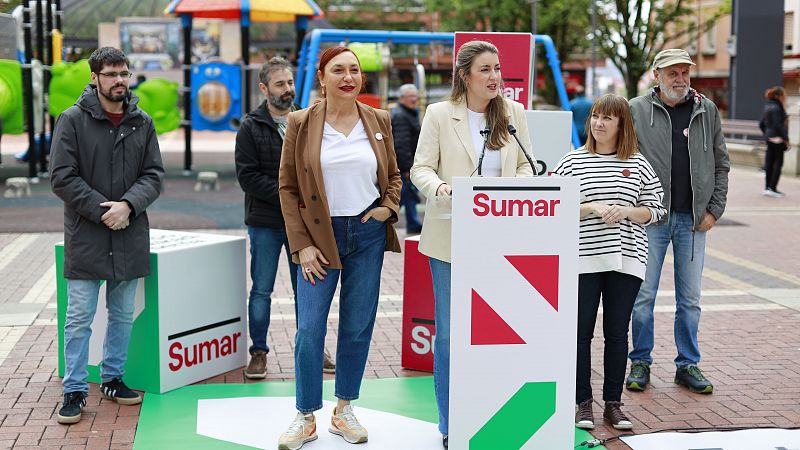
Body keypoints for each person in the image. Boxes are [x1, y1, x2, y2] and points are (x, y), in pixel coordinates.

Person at [410, 40, 535, 449]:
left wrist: (510, 194)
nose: (495, 76)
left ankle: (489, 411)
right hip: (450, 239)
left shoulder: (513, 113)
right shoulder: (439, 114)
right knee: (449, 336)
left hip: (500, 241)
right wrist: (441, 189)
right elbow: (420, 168)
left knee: (495, 332)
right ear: (464, 75)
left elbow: (526, 166)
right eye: (485, 69)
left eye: (497, 68)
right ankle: (451, 423)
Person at [276, 46, 402, 449]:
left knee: (357, 325)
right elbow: (287, 187)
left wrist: (387, 209)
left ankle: (344, 409)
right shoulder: (300, 122)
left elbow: (393, 175)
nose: (348, 77)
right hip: (319, 237)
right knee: (309, 328)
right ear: (322, 77)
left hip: (366, 234)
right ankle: (305, 415)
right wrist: (301, 246)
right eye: (338, 70)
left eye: (354, 70)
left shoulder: (379, 119)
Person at [50, 47, 164, 424]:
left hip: (129, 231)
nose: (119, 80)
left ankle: (113, 378)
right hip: (88, 234)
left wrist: (128, 206)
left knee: (122, 314)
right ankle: (74, 389)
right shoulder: (72, 120)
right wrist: (105, 211)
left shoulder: (142, 122)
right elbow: (62, 177)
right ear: (94, 77)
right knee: (79, 317)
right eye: (111, 74)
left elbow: (153, 175)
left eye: (124, 73)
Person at [554, 94, 666, 431]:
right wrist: (591, 207)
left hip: (626, 259)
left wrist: (627, 211)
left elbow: (656, 209)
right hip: (582, 259)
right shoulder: (572, 162)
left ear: (622, 124)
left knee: (617, 334)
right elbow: (554, 205)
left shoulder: (638, 163)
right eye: (595, 116)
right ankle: (583, 403)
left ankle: (613, 405)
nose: (599, 123)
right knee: (580, 334)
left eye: (607, 118)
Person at [626, 49, 729, 395]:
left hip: (693, 220)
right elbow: (620, 158)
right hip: (650, 218)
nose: (680, 79)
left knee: (690, 300)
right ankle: (640, 361)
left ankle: (687, 365)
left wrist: (714, 209)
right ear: (656, 75)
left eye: (685, 72)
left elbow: (721, 163)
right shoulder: (636, 109)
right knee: (643, 296)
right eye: (672, 73)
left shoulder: (706, 110)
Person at [234, 57, 335, 380]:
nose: (287, 89)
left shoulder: (309, 120)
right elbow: (248, 177)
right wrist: (290, 196)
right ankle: (259, 352)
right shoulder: (250, 126)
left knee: (307, 289)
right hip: (265, 222)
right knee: (261, 290)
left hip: (303, 224)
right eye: (280, 84)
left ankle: (313, 348)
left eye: (290, 82)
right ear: (264, 89)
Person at [391, 83, 423, 234]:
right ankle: (387, 224)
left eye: (415, 96)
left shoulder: (409, 113)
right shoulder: (401, 116)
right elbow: (401, 145)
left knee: (408, 195)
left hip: (407, 164)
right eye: (410, 96)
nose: (414, 99)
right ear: (401, 98)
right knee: (403, 195)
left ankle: (413, 223)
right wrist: (408, 167)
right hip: (404, 166)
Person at [759, 86, 789, 198]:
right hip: (778, 139)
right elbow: (778, 125)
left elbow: (761, 124)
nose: (784, 97)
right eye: (784, 95)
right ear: (779, 96)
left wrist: (767, 134)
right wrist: (786, 138)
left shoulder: (768, 106)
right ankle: (773, 188)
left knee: (769, 163)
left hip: (769, 138)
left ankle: (767, 188)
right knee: (778, 163)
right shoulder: (777, 107)